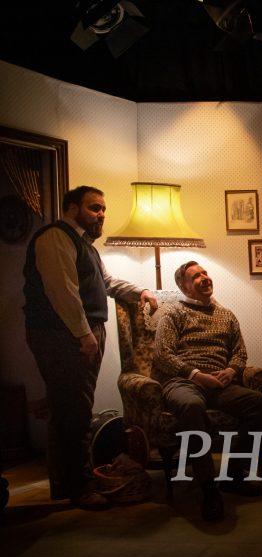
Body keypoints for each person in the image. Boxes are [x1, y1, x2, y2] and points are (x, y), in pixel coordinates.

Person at [23, 185, 158, 509]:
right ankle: (80, 488)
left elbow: (106, 282)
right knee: (76, 413)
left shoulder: (85, 245)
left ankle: (64, 484)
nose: (101, 215)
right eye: (94, 208)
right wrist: (85, 335)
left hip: (78, 333)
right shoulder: (56, 237)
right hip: (63, 336)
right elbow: (63, 293)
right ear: (72, 208)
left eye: (103, 209)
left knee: (67, 409)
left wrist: (139, 291)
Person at [154, 261, 262, 522]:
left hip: (220, 384)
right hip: (184, 382)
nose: (205, 278)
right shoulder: (172, 313)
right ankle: (208, 489)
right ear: (184, 286)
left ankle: (234, 475)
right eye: (196, 276)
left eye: (205, 273)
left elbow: (240, 352)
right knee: (192, 407)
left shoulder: (226, 315)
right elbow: (162, 354)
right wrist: (196, 375)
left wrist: (231, 371)